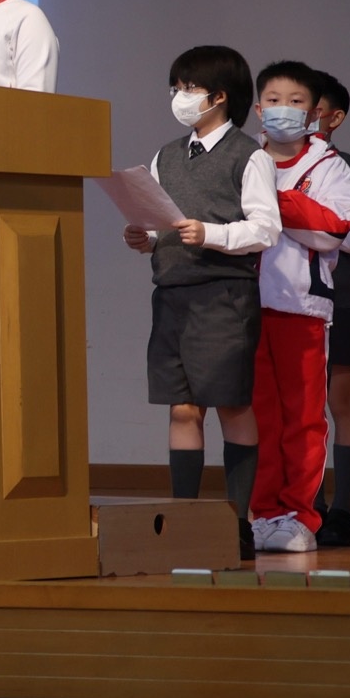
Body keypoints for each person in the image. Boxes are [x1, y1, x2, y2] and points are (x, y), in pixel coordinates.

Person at [123, 45, 275, 562]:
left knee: (232, 403)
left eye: (189, 88)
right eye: (176, 88)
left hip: (224, 295)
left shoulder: (248, 155)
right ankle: (184, 520)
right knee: (183, 406)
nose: (180, 97)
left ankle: (239, 523)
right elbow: (158, 220)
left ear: (219, 96)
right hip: (172, 295)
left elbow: (266, 229)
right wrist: (145, 237)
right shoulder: (166, 155)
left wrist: (212, 233)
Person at [246, 61, 350, 554]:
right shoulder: (245, 159)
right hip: (246, 307)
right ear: (258, 109)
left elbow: (333, 229)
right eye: (273, 100)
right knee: (261, 417)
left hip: (302, 307)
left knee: (304, 418)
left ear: (314, 113)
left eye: (295, 102)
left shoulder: (330, 166)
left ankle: (300, 516)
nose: (283, 110)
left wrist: (270, 199)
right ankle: (265, 512)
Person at [308, 71, 350, 547]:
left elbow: (348, 237)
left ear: (335, 117)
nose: (301, 115)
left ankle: (343, 509)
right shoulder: (263, 161)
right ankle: (307, 503)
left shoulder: (349, 167)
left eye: (312, 107)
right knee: (298, 403)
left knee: (339, 397)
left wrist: (293, 215)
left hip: (336, 293)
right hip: (285, 297)